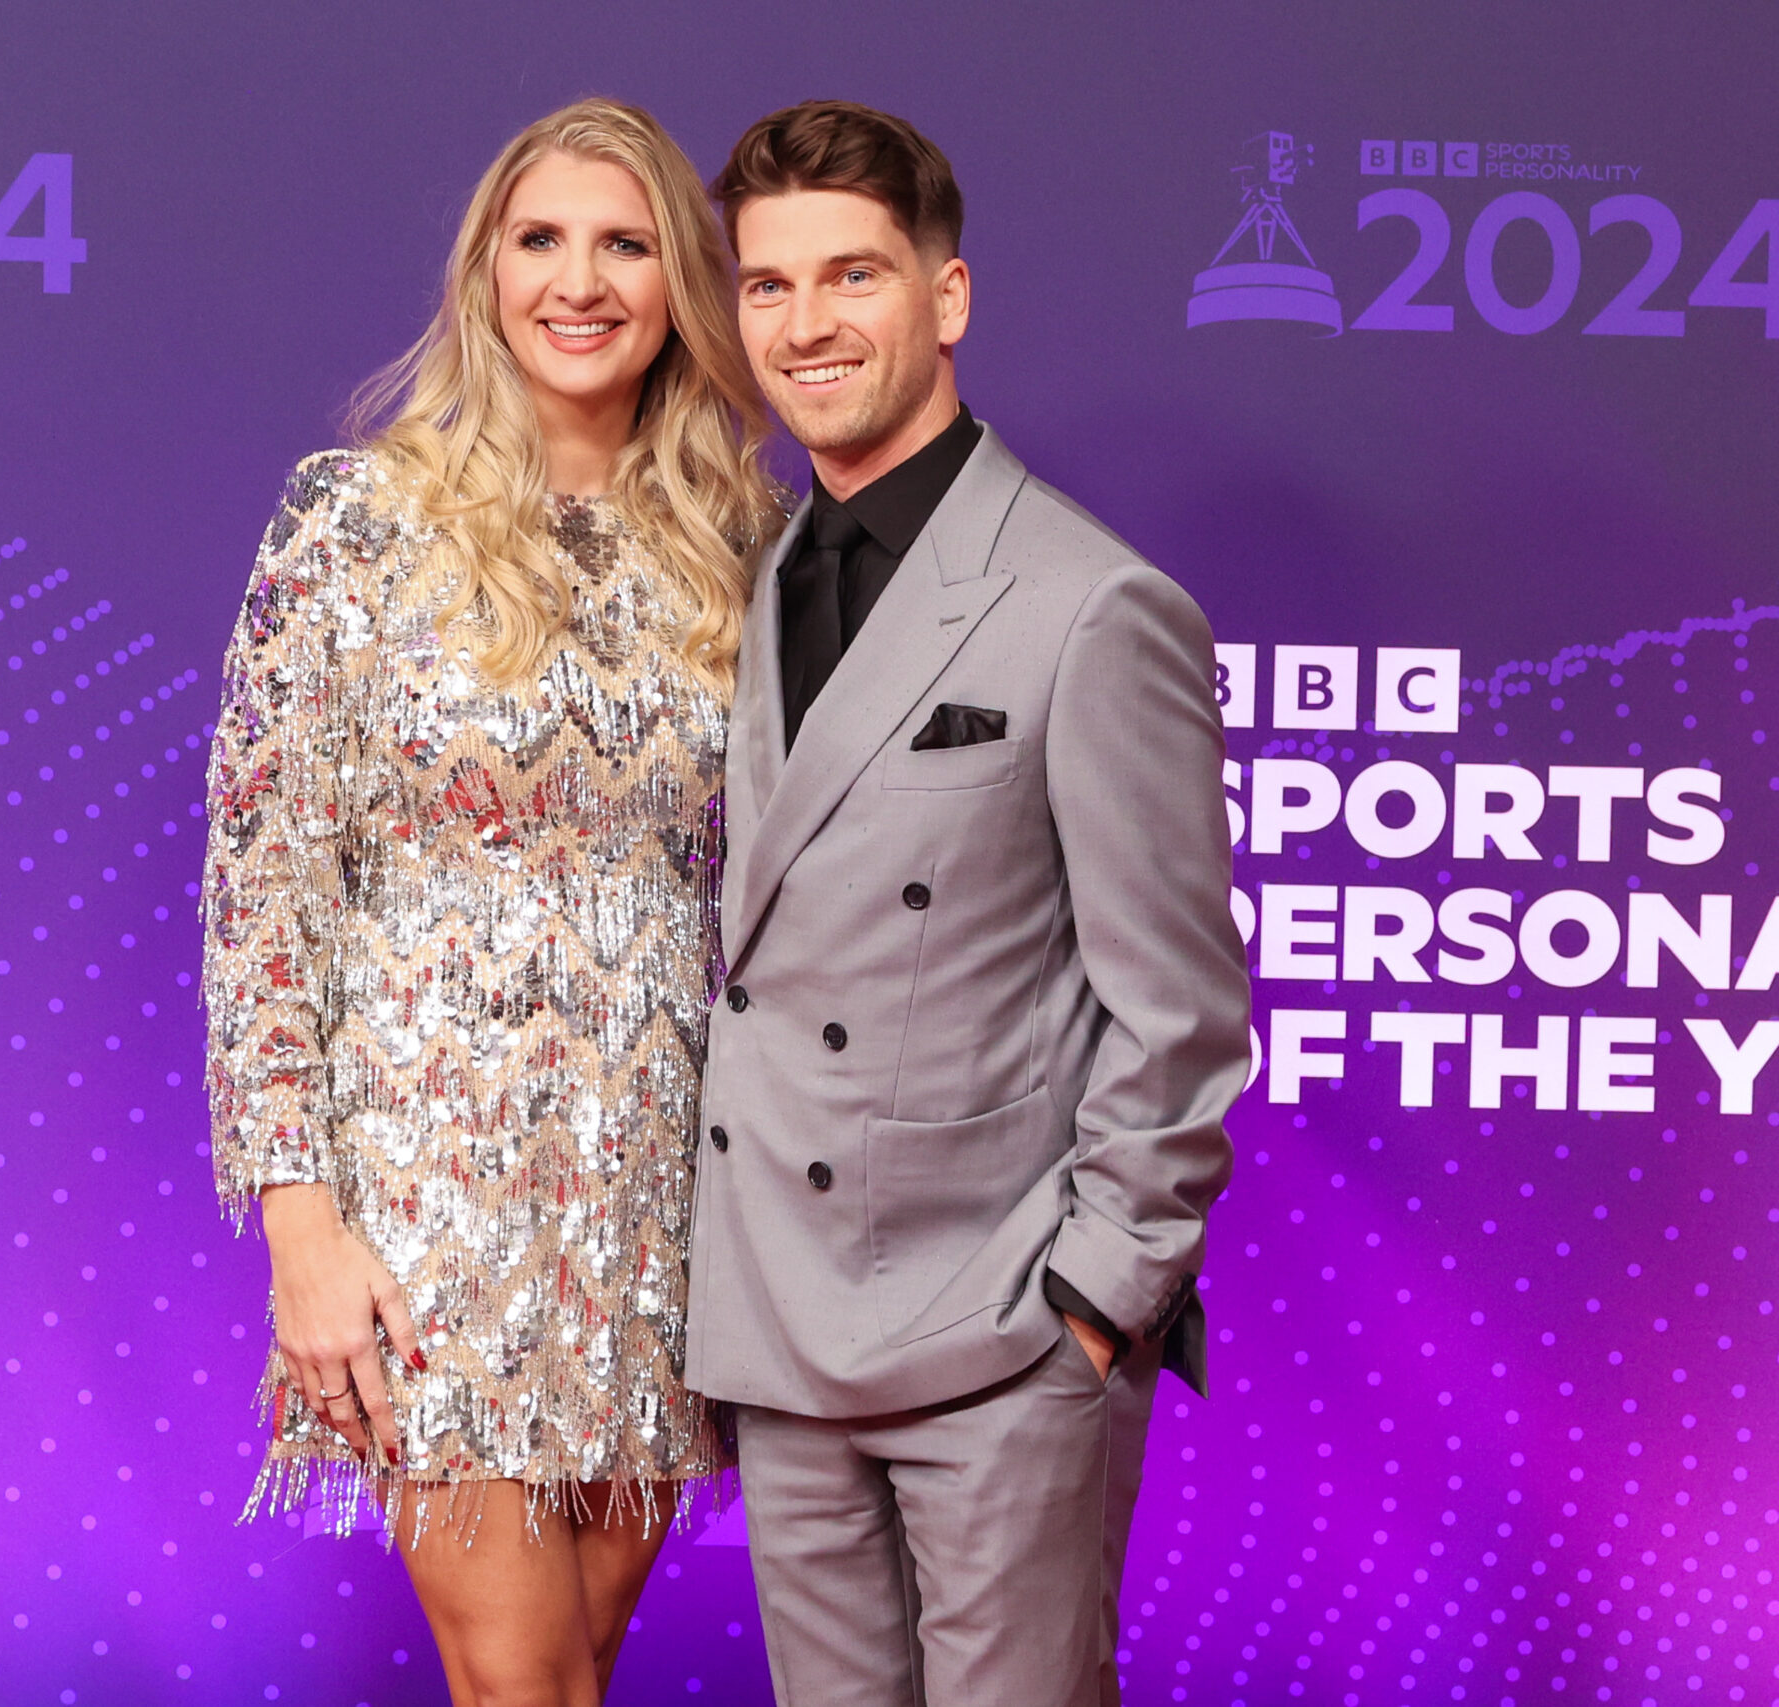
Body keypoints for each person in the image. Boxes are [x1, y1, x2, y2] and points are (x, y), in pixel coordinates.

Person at [198, 97, 776, 1707]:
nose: (577, 282)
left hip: (663, 1191)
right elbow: (263, 892)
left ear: (680, 286)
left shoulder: (750, 547)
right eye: (541, 241)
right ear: (486, 273)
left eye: (624, 244)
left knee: (571, 1672)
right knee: (522, 1676)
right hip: (429, 1185)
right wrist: (301, 1226)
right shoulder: (355, 521)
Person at [685, 100, 1250, 1706]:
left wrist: (1096, 1303)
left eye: (852, 276)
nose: (807, 324)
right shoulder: (741, 580)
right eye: (771, 284)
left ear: (947, 298)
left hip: (1003, 1335)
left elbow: (1180, 1009)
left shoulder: (1094, 603)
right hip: (784, 1329)